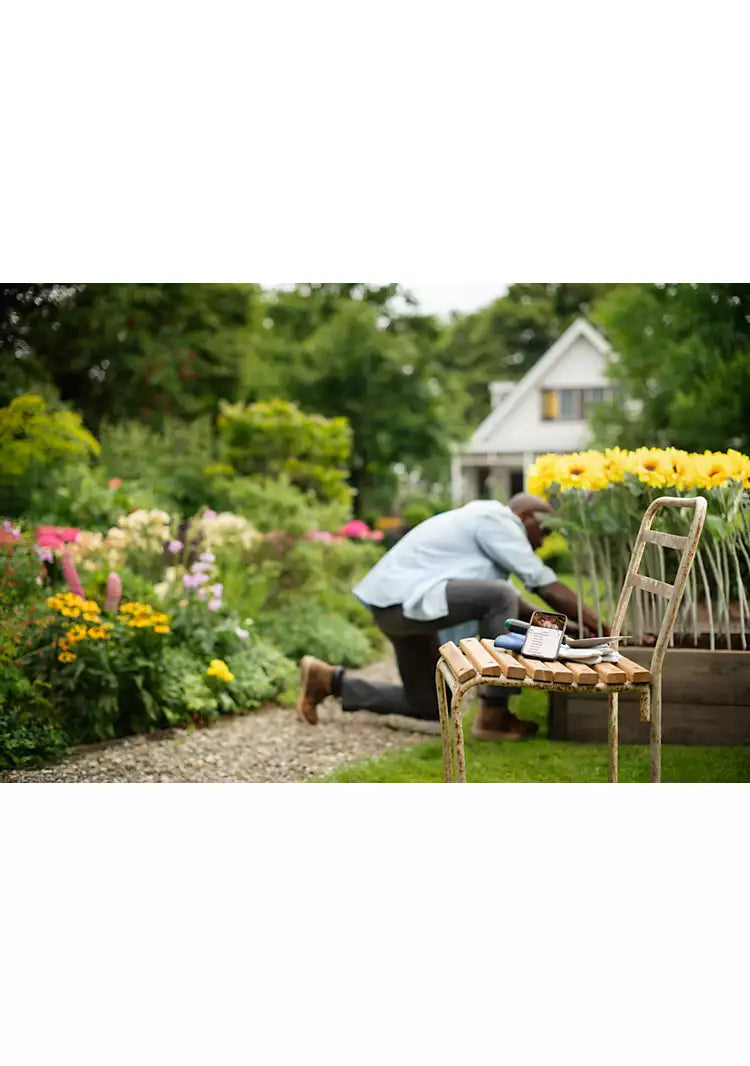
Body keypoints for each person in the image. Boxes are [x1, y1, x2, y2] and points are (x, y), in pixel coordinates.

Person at [296, 494, 607, 740]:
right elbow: (541, 583)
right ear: (524, 517)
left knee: (432, 703)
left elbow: (515, 606)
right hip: (405, 601)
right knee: (500, 596)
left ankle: (329, 681)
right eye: (544, 530)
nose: (542, 542)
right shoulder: (497, 520)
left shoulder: (481, 525)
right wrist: (600, 623)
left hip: (397, 606)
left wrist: (576, 629)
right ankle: (494, 713)